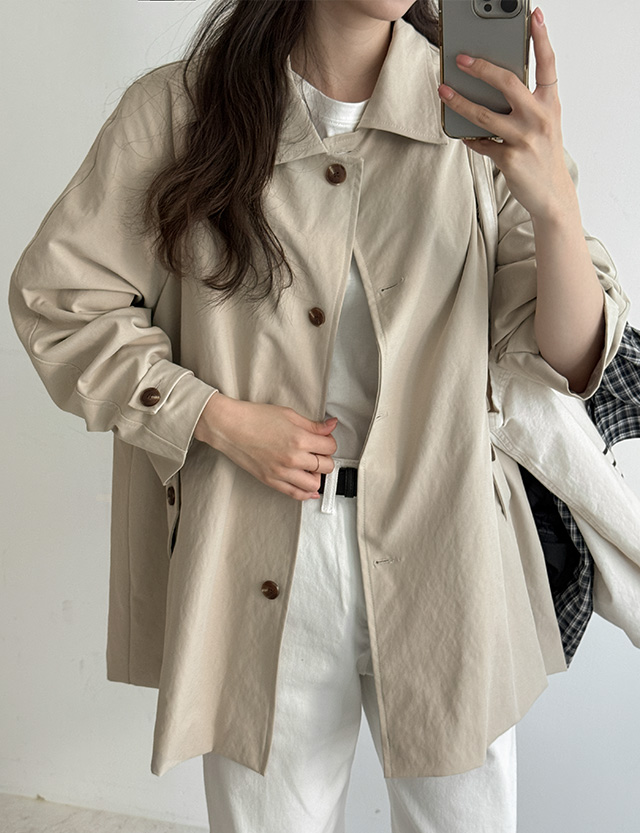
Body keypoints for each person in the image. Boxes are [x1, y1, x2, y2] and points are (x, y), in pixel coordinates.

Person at [7, 1, 629, 831]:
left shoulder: (479, 116)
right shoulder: (181, 111)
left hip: (448, 548)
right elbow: (61, 300)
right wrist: (214, 417)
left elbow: (569, 357)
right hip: (257, 546)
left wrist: (553, 204)